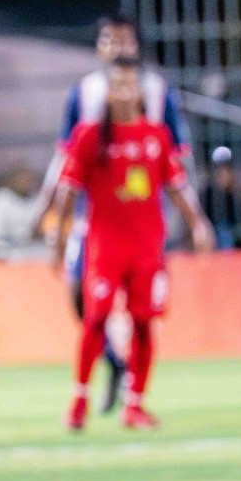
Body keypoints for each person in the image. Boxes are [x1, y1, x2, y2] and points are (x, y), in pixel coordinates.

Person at [33, 12, 192, 414]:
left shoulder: (158, 93)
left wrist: (193, 217)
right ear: (99, 46)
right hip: (94, 222)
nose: (117, 47)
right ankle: (112, 364)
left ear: (136, 46)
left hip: (143, 223)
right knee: (82, 303)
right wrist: (46, 210)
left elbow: (177, 161)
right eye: (109, 39)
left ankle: (130, 387)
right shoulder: (83, 95)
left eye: (124, 40)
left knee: (140, 316)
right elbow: (63, 160)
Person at [52, 57, 215, 432]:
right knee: (95, 320)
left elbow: (177, 187)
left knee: (144, 324)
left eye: (130, 84)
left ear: (140, 91)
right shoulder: (89, 137)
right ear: (106, 94)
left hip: (147, 249)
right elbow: (67, 188)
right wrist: (59, 237)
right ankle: (79, 401)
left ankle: (135, 405)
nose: (124, 92)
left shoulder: (156, 137)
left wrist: (198, 223)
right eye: (116, 85)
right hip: (104, 249)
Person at [0, 166, 50, 260]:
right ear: (12, 180)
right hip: (7, 249)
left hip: (31, 248)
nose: (25, 182)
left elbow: (45, 228)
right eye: (21, 179)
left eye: (28, 180)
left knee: (48, 255)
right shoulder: (1, 198)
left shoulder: (38, 200)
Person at [200, 147, 240, 250]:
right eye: (220, 169)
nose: (223, 173)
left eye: (226, 169)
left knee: (225, 231)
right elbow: (205, 215)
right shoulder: (207, 191)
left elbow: (237, 216)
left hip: (230, 230)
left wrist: (231, 191)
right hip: (213, 230)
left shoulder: (235, 189)